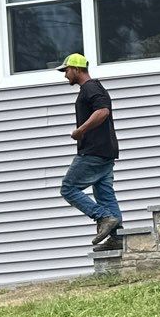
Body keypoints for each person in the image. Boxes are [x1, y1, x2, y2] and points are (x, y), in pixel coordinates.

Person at [57, 53, 122, 249]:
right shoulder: (93, 88)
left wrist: (80, 130)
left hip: (93, 151)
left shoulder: (90, 88)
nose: (65, 75)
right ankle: (117, 239)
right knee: (104, 194)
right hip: (106, 151)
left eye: (67, 70)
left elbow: (102, 111)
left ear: (77, 69)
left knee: (68, 188)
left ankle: (103, 217)